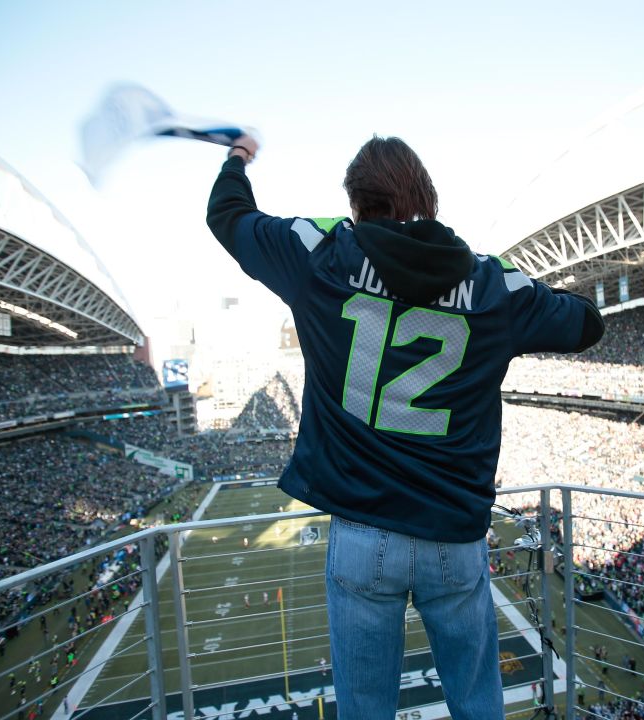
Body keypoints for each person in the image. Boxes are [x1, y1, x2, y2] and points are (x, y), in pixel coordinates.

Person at [207, 134, 602, 720]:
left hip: (362, 533)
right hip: (455, 535)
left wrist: (238, 158)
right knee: (477, 705)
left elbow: (229, 216)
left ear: (356, 203)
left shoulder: (321, 254)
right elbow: (586, 323)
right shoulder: (493, 285)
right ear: (430, 197)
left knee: (366, 710)